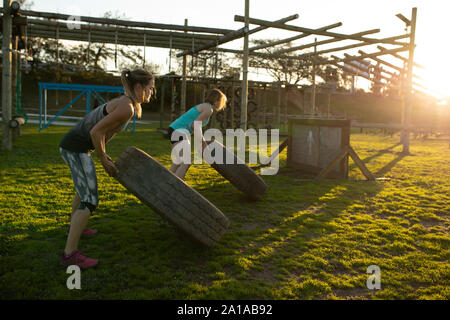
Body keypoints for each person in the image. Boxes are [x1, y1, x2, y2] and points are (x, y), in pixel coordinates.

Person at [59, 69, 155, 269]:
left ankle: (74, 228)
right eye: (150, 89)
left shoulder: (126, 104)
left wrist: (100, 153)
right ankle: (70, 255)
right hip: (76, 148)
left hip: (78, 147)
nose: (151, 93)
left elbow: (100, 133)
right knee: (90, 199)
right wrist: (103, 159)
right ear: (139, 87)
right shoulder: (126, 107)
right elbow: (96, 131)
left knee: (82, 189)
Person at [168, 88, 227, 179]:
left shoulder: (204, 106)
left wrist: (201, 142)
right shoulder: (208, 109)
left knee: (179, 161)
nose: (221, 104)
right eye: (221, 101)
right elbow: (195, 125)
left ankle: (166, 181)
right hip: (179, 131)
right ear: (216, 101)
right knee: (186, 162)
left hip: (173, 129)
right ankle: (175, 186)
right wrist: (203, 143)